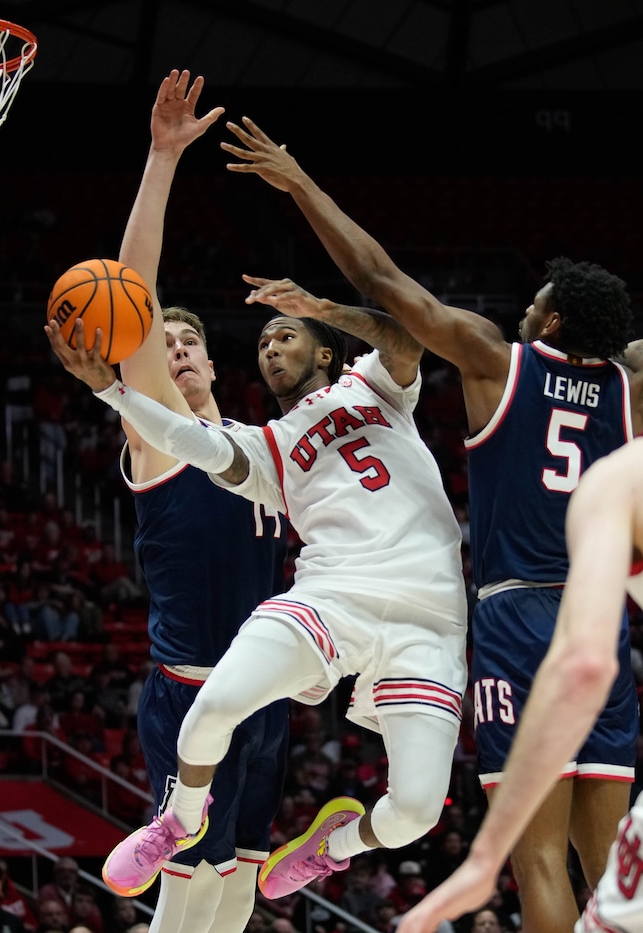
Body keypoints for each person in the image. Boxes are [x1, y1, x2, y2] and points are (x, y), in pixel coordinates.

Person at [220, 117, 643, 932]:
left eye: (537, 301)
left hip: (520, 618)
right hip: (602, 622)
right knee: (610, 861)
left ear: (551, 325)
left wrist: (299, 182)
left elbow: (383, 280)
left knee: (537, 857)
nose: (525, 307)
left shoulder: (496, 359)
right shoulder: (629, 390)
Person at [46, 242, 468, 912]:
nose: (270, 346)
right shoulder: (265, 444)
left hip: (423, 616)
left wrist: (321, 305)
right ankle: (177, 818)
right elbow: (190, 440)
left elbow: (404, 333)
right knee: (209, 725)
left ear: (326, 351)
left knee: (412, 814)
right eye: (263, 338)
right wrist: (110, 388)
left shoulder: (375, 386)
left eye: (287, 333)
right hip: (312, 611)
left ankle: (331, 846)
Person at [55, 70, 290, 933]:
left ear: (218, 363)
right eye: (166, 340)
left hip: (265, 694)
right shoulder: (158, 439)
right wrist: (161, 159)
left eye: (192, 340)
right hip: (193, 695)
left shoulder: (268, 449)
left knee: (238, 886)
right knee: (187, 889)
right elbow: (135, 287)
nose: (178, 349)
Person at [395, 437, 643, 931]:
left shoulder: (619, 478)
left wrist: (483, 861)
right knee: (609, 868)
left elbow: (583, 665)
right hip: (588, 613)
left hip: (526, 610)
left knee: (544, 864)